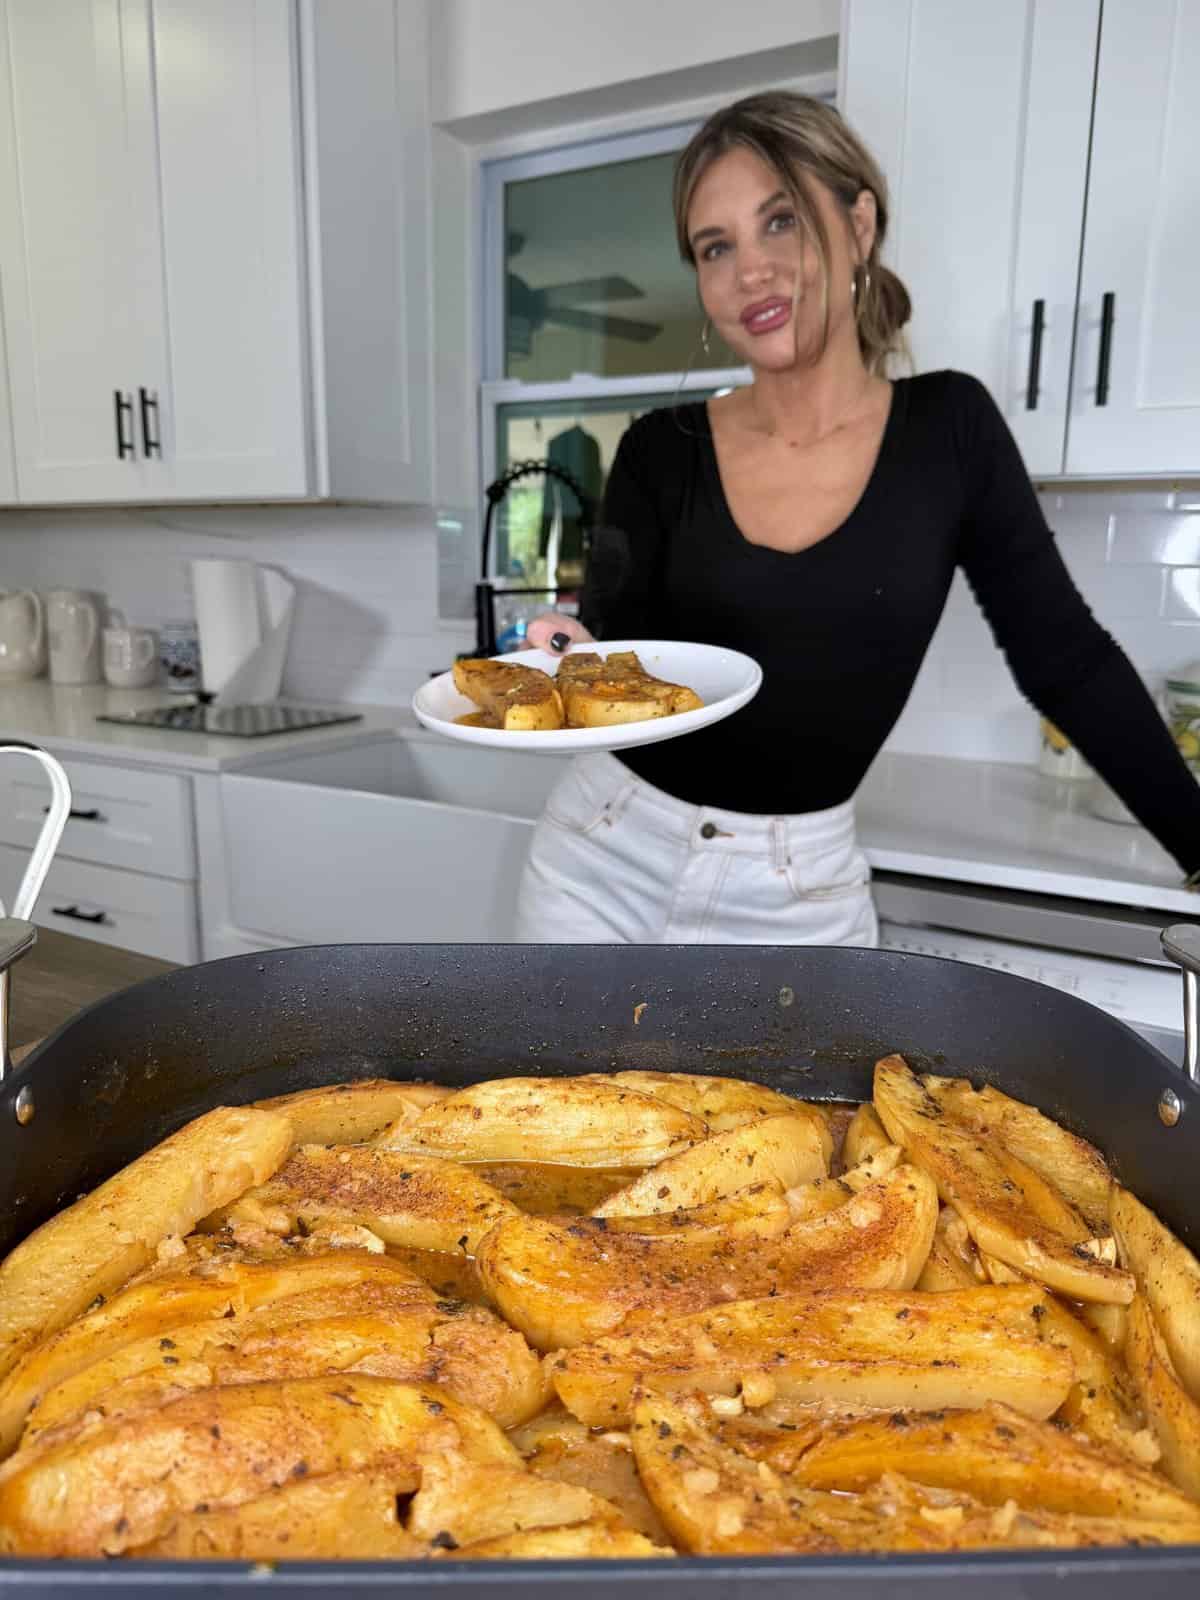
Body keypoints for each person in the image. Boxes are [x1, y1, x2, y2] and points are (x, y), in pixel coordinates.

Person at [514, 91, 1200, 945]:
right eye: (714, 247)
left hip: (796, 896)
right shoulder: (661, 447)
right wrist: (570, 655)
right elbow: (616, 653)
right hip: (602, 859)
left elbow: (1067, 659)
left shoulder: (951, 431)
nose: (749, 272)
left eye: (781, 221)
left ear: (860, 223)